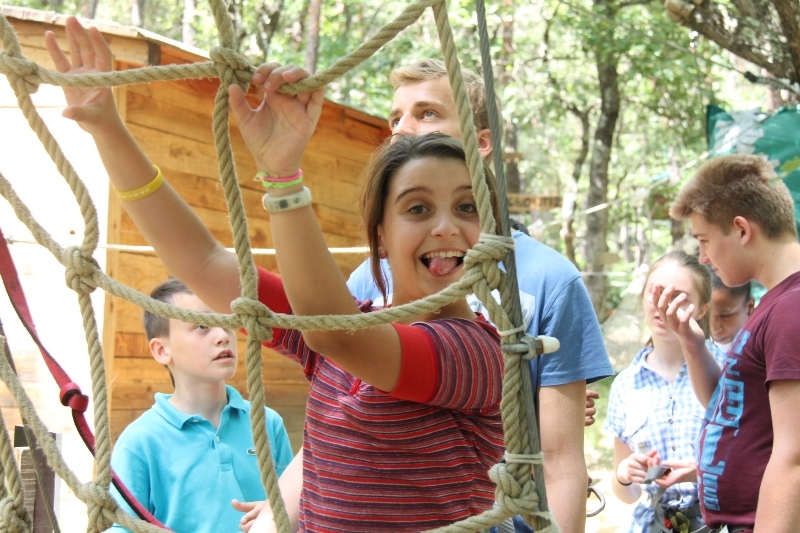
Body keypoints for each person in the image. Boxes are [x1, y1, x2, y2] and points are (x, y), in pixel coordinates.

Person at [47, 18, 507, 532]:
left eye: (467, 207)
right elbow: (202, 262)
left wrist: (284, 177)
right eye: (417, 209)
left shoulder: (476, 352)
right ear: (380, 236)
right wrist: (108, 130)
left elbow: (334, 332)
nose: (446, 227)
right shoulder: (345, 333)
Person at [345, 57, 613, 533]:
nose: (402, 129)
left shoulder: (549, 279)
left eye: (427, 113)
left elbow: (560, 460)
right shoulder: (370, 281)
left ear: (481, 142)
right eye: (395, 118)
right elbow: (335, 419)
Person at [656, 154, 800, 532]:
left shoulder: (791, 309)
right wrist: (692, 343)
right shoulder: (775, 304)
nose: (703, 258)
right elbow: (732, 407)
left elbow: (795, 457)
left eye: (704, 240)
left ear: (741, 229)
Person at [109, 278, 294, 533]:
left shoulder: (268, 423)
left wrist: (277, 513)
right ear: (162, 350)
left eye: (227, 322)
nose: (222, 336)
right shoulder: (140, 441)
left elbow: (298, 506)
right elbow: (123, 527)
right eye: (202, 325)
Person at [605, 251, 725, 533]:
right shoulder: (626, 384)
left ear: (702, 309)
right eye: (655, 293)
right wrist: (624, 476)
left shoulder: (728, 369)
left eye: (678, 297)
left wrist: (702, 473)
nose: (663, 305)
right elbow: (628, 494)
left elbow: (754, 466)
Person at [707, 268, 754, 352]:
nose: (714, 328)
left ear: (749, 307)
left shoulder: (762, 348)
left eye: (725, 316)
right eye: (706, 315)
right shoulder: (696, 344)